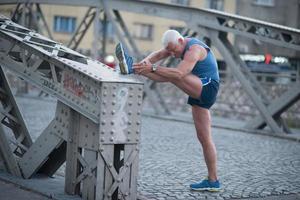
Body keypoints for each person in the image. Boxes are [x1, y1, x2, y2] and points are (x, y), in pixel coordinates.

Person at [115, 30, 220, 192]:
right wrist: (144, 63)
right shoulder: (174, 45)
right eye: (169, 50)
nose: (171, 53)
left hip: (207, 86)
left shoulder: (194, 49)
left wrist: (152, 68)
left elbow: (179, 73)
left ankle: (132, 68)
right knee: (204, 138)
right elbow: (157, 55)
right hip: (197, 86)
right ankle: (213, 181)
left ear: (180, 40)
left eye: (173, 50)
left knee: (173, 75)